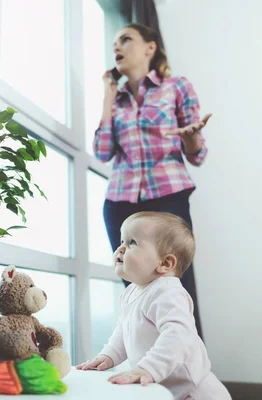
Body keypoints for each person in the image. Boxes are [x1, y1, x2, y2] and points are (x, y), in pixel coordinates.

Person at [94, 23, 210, 338]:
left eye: (126, 40)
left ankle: (187, 372)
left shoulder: (176, 87)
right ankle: (144, 370)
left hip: (167, 196)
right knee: (135, 290)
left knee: (174, 288)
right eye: (114, 42)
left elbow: (197, 155)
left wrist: (190, 138)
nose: (117, 47)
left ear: (150, 47)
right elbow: (102, 152)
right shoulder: (115, 101)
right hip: (121, 202)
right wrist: (108, 97)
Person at [77, 212, 231, 400]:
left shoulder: (167, 292)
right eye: (122, 241)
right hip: (164, 388)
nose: (121, 249)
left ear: (165, 263)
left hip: (194, 392)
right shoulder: (131, 291)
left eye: (132, 242)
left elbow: (178, 335)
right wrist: (109, 355)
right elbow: (124, 331)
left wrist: (148, 368)